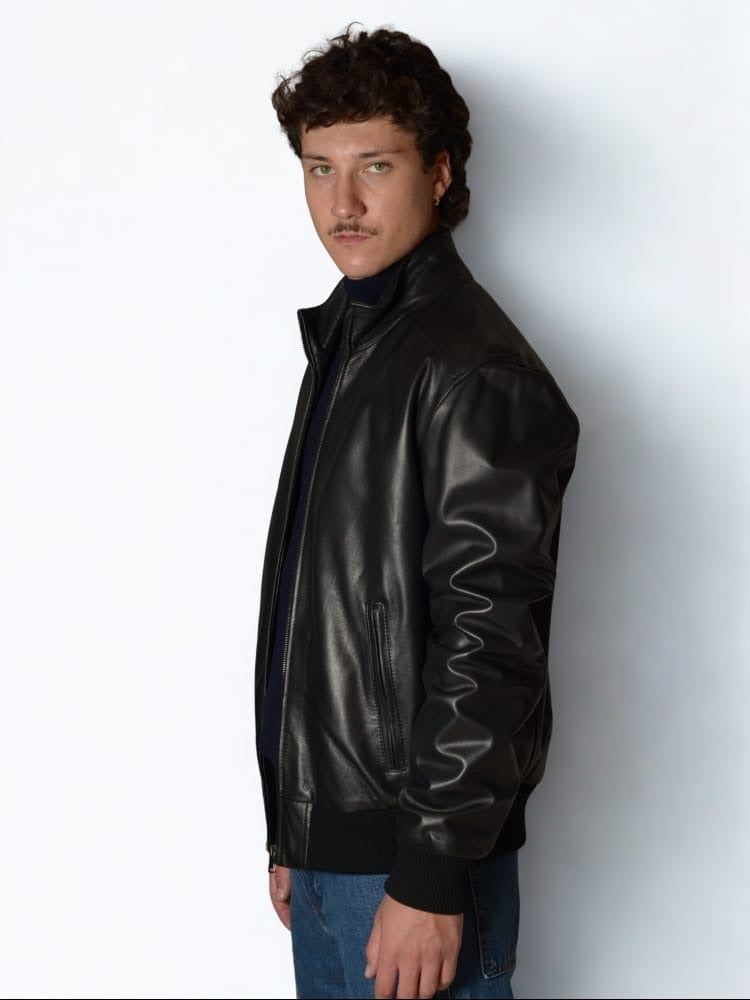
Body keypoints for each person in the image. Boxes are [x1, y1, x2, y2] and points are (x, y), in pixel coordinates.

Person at [253, 24, 580, 1000]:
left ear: (438, 173)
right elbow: (328, 615)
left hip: (413, 866)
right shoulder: (356, 341)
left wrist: (431, 873)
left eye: (376, 166)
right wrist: (298, 830)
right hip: (335, 854)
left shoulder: (470, 367)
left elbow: (492, 639)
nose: (341, 203)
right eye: (319, 168)